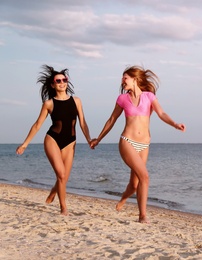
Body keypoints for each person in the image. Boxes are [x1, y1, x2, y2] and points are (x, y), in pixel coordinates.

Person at [90, 65, 185, 223]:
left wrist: (175, 124)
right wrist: (98, 139)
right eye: (122, 78)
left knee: (134, 184)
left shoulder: (149, 97)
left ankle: (123, 199)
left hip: (144, 145)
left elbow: (161, 113)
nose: (122, 81)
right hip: (127, 142)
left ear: (135, 79)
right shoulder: (122, 99)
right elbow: (112, 120)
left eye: (125, 78)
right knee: (145, 176)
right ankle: (142, 216)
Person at [16, 65, 92, 216]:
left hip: (70, 142)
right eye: (58, 81)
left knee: (64, 177)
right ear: (53, 84)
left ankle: (53, 191)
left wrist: (89, 140)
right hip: (53, 140)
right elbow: (37, 125)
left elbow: (82, 122)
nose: (62, 82)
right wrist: (25, 144)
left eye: (64, 80)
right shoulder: (49, 103)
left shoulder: (76, 101)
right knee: (62, 175)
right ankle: (63, 208)